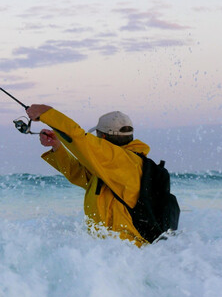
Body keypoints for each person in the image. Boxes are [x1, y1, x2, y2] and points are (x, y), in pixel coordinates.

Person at [26, 104, 152, 247]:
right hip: (113, 252)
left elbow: (79, 138)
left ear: (103, 137)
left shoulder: (122, 161)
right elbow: (79, 175)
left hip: (127, 252)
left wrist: (47, 114)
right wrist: (57, 147)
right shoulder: (116, 168)